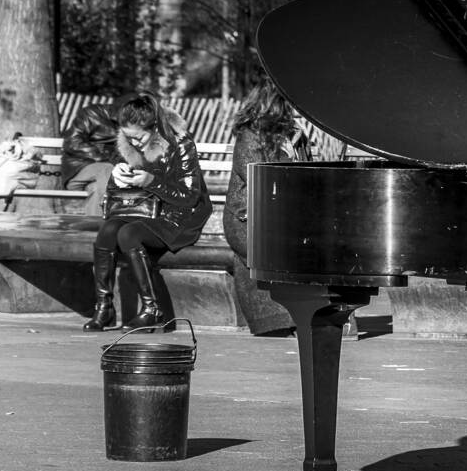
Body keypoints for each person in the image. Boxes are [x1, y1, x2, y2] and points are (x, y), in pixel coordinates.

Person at [82, 93, 213, 332]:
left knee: (128, 234)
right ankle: (104, 307)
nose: (133, 143)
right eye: (128, 137)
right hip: (144, 208)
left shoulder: (180, 144)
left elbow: (189, 196)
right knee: (108, 230)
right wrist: (117, 176)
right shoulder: (127, 142)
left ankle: (152, 309)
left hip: (179, 215)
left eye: (138, 137)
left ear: (154, 127)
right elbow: (119, 192)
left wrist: (151, 180)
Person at [222, 78, 311, 337]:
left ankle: (303, 317)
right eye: (289, 105)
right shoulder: (250, 135)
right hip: (248, 219)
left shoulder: (293, 134)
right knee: (280, 248)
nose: (295, 110)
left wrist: (296, 144)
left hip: (280, 215)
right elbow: (258, 177)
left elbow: (307, 174)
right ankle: (278, 320)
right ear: (276, 106)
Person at [61, 94, 135, 217]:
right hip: (79, 170)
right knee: (106, 168)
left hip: (103, 179)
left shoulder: (133, 126)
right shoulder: (92, 114)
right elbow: (72, 142)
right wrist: (104, 157)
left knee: (96, 188)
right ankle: (110, 213)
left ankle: (94, 229)